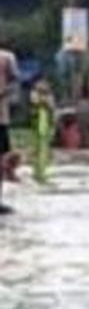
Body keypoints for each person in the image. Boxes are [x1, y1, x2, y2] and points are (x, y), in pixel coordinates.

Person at [0, 47, 18, 214]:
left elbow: (14, 82)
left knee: (2, 159)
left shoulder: (6, 57)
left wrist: (3, 92)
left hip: (1, 118)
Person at [30, 75, 55, 185]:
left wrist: (45, 101)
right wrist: (43, 101)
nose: (43, 86)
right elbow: (36, 102)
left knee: (44, 149)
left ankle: (42, 172)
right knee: (37, 149)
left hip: (45, 124)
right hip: (38, 123)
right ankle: (37, 172)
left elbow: (50, 105)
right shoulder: (34, 94)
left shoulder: (48, 96)